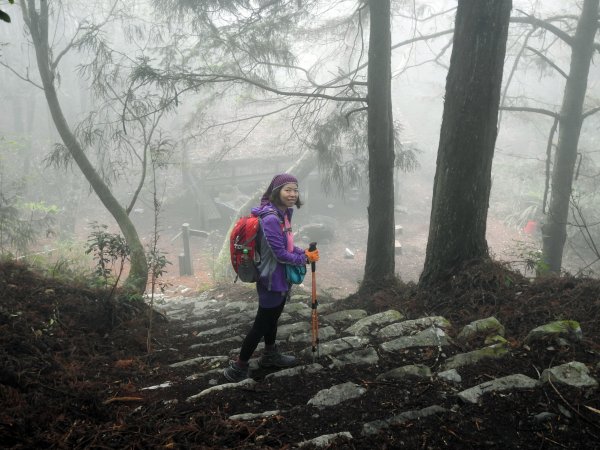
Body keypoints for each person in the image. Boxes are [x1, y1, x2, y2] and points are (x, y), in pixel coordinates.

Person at [223, 173, 320, 383]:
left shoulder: (282, 214)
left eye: (295, 189)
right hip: (270, 279)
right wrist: (305, 258)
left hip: (280, 277)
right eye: (288, 190)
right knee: (262, 323)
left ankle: (269, 355)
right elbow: (281, 254)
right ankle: (238, 367)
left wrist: (304, 253)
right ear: (277, 192)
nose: (293, 194)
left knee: (272, 319)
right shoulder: (270, 219)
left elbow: (288, 247)